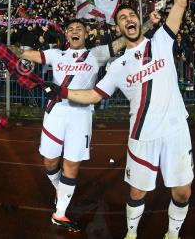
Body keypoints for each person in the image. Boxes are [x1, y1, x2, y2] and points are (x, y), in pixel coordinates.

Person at [47, 0, 192, 239]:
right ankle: (131, 233)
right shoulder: (117, 66)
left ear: (139, 21)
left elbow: (180, 3)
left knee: (183, 191)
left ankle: (172, 234)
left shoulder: (162, 40)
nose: (128, 19)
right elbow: (93, 95)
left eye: (131, 15)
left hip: (177, 131)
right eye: (123, 17)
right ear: (118, 28)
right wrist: (63, 91)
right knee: (138, 191)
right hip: (141, 135)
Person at [10, 18, 157, 232]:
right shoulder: (56, 54)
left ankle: (59, 213)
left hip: (81, 115)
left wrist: (148, 25)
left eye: (79, 28)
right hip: (55, 112)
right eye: (71, 29)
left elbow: (123, 41)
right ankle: (61, 191)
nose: (75, 31)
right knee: (50, 161)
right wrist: (6, 47)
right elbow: (25, 54)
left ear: (86, 34)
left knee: (71, 164)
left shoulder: (96, 54)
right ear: (67, 35)